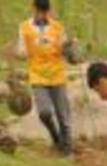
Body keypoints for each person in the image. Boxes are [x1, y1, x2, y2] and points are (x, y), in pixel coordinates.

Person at [16, 0, 72, 156]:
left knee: (63, 115)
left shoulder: (58, 27)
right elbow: (21, 51)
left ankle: (67, 150)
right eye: (39, 11)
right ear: (33, 9)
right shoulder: (25, 28)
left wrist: (69, 48)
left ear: (48, 10)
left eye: (44, 11)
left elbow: (64, 50)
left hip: (57, 74)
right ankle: (55, 136)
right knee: (44, 112)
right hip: (37, 75)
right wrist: (19, 53)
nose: (41, 14)